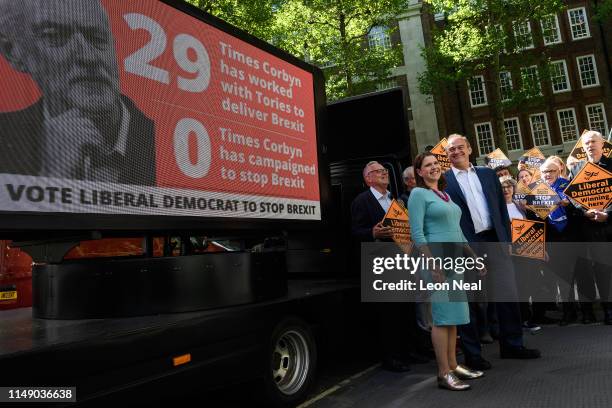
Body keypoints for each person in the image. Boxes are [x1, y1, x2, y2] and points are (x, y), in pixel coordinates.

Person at [0, 0, 155, 185]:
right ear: (13, 52)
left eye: (97, 38)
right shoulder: (6, 137)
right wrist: (52, 176)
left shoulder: (163, 141)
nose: (89, 57)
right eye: (55, 36)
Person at [444, 134, 540, 370]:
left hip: (495, 241)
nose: (456, 152)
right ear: (447, 155)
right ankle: (473, 355)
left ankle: (513, 345)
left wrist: (506, 240)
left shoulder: (487, 174)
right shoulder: (445, 180)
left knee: (507, 294)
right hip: (467, 245)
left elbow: (500, 208)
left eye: (459, 147)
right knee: (472, 301)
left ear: (469, 148)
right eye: (450, 150)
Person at [408, 152, 484, 390]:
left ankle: (453, 365)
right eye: (427, 165)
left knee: (454, 316)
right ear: (419, 172)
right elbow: (417, 234)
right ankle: (443, 373)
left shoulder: (445, 195)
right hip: (437, 259)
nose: (433, 167)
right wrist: (432, 263)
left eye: (435, 164)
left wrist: (473, 257)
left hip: (454, 259)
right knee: (442, 317)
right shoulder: (418, 194)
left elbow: (457, 231)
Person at [351, 161, 425, 371]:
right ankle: (391, 357)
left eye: (384, 171)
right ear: (368, 178)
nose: (384, 173)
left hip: (403, 260)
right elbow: (355, 232)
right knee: (388, 313)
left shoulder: (396, 199)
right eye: (378, 171)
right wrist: (372, 233)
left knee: (406, 309)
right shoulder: (362, 201)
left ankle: (409, 351)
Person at [567, 130, 612, 325]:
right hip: (591, 229)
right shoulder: (576, 169)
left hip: (611, 223)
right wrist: (584, 211)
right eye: (586, 143)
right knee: (602, 270)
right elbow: (571, 198)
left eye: (594, 142)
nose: (590, 145)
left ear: (603, 144)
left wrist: (608, 214)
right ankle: (608, 310)